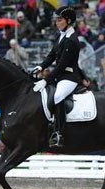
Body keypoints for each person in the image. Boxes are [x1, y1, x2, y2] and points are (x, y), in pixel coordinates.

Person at [31, 6, 81, 148]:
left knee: (57, 96)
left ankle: (59, 133)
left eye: (59, 20)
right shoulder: (61, 36)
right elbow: (52, 55)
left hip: (69, 76)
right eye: (56, 20)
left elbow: (61, 66)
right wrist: (41, 67)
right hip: (61, 75)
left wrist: (46, 80)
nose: (57, 23)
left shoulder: (71, 40)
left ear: (68, 21)